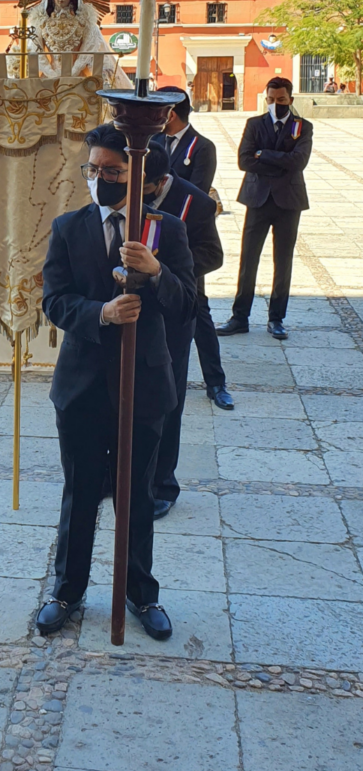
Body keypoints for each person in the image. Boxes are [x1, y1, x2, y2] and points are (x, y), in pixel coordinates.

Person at [36, 124, 195, 642]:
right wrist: (99, 312)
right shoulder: (68, 227)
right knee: (80, 491)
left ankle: (140, 592)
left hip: (143, 385)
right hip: (82, 385)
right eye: (94, 170)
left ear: (139, 175)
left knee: (137, 495)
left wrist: (156, 273)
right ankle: (67, 589)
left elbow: (188, 302)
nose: (101, 179)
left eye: (113, 171)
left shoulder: (164, 230)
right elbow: (55, 301)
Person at [140, 144, 225, 519]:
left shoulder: (197, 204)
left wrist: (170, 267)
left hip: (174, 312)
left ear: (160, 181)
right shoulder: (122, 197)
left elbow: (213, 254)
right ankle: (121, 476)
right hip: (130, 310)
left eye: (143, 188)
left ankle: (162, 484)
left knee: (166, 401)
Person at [217, 77, 313, 341]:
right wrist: (273, 159)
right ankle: (239, 317)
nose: (275, 104)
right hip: (257, 198)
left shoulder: (302, 127)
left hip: (288, 201)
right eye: (270, 100)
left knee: (283, 262)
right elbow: (244, 160)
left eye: (281, 100)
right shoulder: (254, 124)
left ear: (290, 100)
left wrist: (264, 154)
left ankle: (276, 318)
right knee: (248, 259)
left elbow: (298, 162)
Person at [26, 0, 132, 86]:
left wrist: (73, 72)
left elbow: (87, 49)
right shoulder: (41, 22)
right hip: (49, 79)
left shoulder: (84, 22)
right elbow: (35, 50)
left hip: (77, 80)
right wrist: (50, 73)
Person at [151, 89, 217, 194]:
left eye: (155, 112)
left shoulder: (202, 147)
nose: (150, 118)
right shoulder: (153, 140)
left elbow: (197, 194)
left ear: (170, 116)